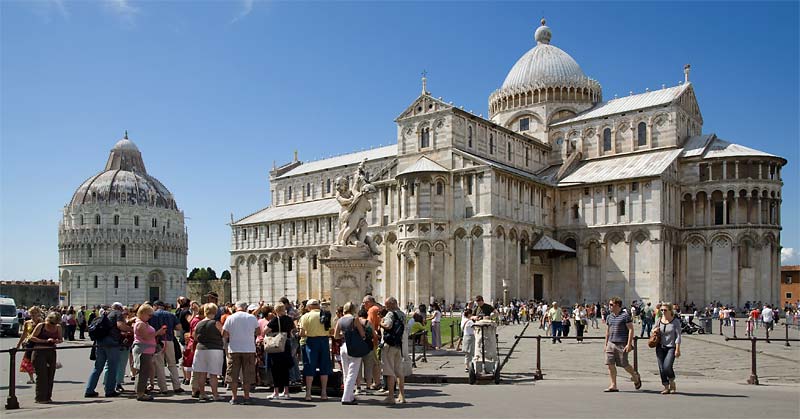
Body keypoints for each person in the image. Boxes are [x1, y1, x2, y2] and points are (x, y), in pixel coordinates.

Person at [85, 302, 131, 398]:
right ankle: (109, 390)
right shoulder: (117, 313)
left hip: (100, 341)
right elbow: (120, 325)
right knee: (112, 367)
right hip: (112, 343)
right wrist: (131, 329)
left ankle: (89, 390)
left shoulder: (105, 314)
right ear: (119, 308)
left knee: (98, 367)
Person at [222, 301, 260, 405]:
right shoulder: (252, 317)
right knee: (247, 374)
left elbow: (224, 334)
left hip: (234, 348)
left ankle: (234, 397)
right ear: (245, 307)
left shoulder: (230, 318)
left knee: (233, 374)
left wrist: (233, 334)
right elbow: (258, 332)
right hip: (248, 349)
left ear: (236, 307)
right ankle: (246, 396)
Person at [603, 297, 642, 392]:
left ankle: (635, 375)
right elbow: (608, 331)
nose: (609, 306)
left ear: (617, 305)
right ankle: (613, 385)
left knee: (624, 364)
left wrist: (629, 344)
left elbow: (631, 329)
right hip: (611, 343)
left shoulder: (625, 316)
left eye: (611, 304)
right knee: (610, 364)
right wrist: (606, 344)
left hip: (621, 344)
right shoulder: (609, 316)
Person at [298, 299, 332, 401]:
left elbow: (302, 333)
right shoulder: (326, 315)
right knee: (324, 367)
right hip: (324, 341)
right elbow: (331, 331)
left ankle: (308, 393)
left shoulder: (305, 316)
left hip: (311, 341)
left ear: (309, 307)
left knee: (309, 366)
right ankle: (324, 393)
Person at [333, 302, 366, 405]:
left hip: (343, 347)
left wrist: (344, 334)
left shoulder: (340, 320)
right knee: (352, 373)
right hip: (354, 347)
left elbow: (336, 336)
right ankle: (346, 397)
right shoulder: (354, 319)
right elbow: (362, 334)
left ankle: (349, 395)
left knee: (346, 373)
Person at [132, 304, 166, 401]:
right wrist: (158, 333)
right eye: (149, 315)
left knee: (143, 371)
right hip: (143, 350)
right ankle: (140, 393)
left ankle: (140, 391)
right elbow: (146, 337)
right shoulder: (140, 324)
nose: (150, 317)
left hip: (147, 349)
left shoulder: (143, 323)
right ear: (142, 313)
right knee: (143, 372)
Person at [148, 301, 183, 394]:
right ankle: (177, 386)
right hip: (169, 340)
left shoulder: (152, 315)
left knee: (159, 366)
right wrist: (171, 328)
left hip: (157, 341)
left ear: (155, 306)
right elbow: (179, 327)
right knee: (172, 364)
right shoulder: (171, 315)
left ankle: (163, 388)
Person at [28, 311, 63, 403]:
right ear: (48, 319)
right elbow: (32, 337)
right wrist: (45, 341)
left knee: (50, 375)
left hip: (51, 351)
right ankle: (40, 398)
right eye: (51, 323)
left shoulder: (58, 327)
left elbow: (60, 339)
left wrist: (55, 341)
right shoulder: (41, 325)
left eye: (55, 323)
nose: (53, 325)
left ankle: (48, 397)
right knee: (42, 375)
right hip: (39, 351)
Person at [192, 303, 224, 402]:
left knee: (202, 373)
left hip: (201, 349)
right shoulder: (216, 323)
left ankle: (202, 393)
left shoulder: (199, 323)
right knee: (213, 374)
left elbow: (195, 337)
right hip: (214, 349)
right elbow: (223, 334)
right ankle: (215, 394)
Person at [265, 303, 295, 400]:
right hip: (286, 344)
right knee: (285, 368)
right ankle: (286, 391)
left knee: (275, 369)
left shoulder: (275, 320)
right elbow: (293, 329)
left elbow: (265, 331)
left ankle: (276, 392)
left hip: (277, 346)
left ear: (275, 310)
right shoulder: (289, 319)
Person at [380, 297, 406, 404]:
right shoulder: (402, 314)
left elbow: (388, 326)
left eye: (387, 305)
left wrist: (381, 323)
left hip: (389, 345)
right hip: (398, 344)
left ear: (392, 304)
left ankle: (391, 396)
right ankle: (402, 396)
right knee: (399, 371)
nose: (386, 307)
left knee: (389, 371)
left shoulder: (390, 314)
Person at [652, 302, 682, 394]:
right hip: (660, 347)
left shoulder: (675, 321)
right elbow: (652, 330)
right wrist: (654, 330)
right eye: (661, 310)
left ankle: (672, 381)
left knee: (667, 366)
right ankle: (666, 386)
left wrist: (677, 349)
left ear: (670, 310)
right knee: (661, 368)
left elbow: (678, 336)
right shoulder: (659, 319)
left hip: (671, 347)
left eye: (665, 310)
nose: (663, 312)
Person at [16, 306, 43, 384]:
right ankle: (31, 378)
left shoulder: (42, 323)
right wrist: (18, 344)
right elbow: (24, 334)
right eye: (32, 314)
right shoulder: (27, 323)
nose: (33, 315)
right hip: (29, 344)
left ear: (38, 313)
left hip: (39, 343)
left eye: (35, 313)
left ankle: (40, 377)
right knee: (28, 361)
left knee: (38, 361)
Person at [361, 295, 382, 390]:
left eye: (364, 303)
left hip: (374, 339)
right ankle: (377, 381)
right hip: (378, 337)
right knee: (376, 361)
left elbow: (370, 325)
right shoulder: (377, 308)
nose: (363, 305)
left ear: (369, 302)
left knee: (374, 362)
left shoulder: (372, 310)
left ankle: (377, 382)